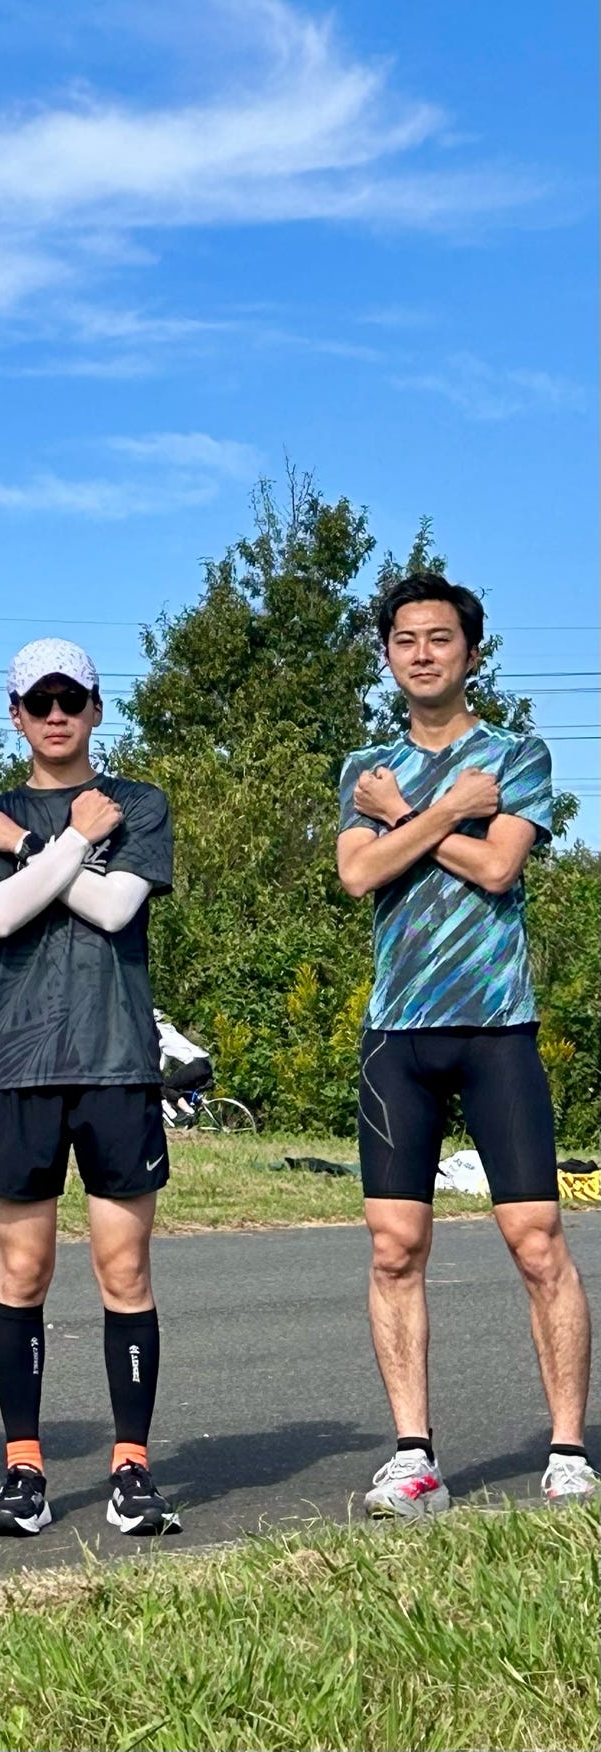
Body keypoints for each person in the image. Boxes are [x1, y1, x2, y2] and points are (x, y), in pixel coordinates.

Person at [335, 572, 595, 1513]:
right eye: (405, 640)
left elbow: (496, 867)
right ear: (388, 656)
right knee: (394, 1248)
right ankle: (415, 1458)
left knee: (536, 1240)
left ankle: (567, 1453)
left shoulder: (517, 754)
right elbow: (358, 875)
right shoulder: (365, 768)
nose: (422, 653)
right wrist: (442, 811)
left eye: (440, 638)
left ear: (471, 652)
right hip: (396, 1036)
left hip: (496, 1030)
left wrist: (406, 817)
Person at [0, 638, 180, 1539]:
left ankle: (132, 1468)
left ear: (96, 708)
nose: (56, 715)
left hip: (118, 1062)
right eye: (39, 702)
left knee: (124, 1271)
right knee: (24, 1271)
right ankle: (25, 1471)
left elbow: (117, 909)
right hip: (20, 1066)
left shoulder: (137, 804)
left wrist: (33, 847)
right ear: (15, 715)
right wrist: (78, 842)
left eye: (71, 699)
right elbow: (2, 913)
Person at [155, 1011, 212, 1125]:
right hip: (205, 1062)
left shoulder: (160, 1037)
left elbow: (162, 1065)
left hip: (195, 1064)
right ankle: (191, 1111)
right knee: (179, 1086)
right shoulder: (169, 1029)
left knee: (166, 1086)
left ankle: (190, 1113)